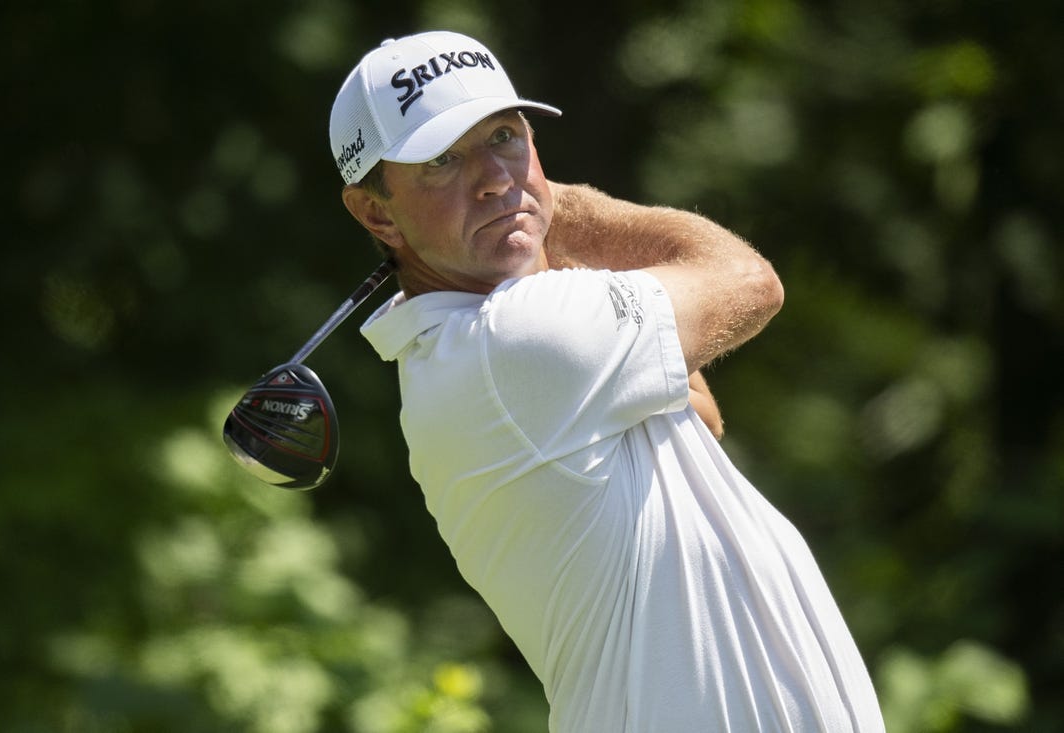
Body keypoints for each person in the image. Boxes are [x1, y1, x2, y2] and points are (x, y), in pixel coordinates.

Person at [330, 30, 885, 732]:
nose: (496, 177)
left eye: (505, 135)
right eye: (443, 159)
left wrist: (524, 224)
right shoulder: (509, 345)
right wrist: (554, 205)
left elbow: (700, 414)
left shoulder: (495, 348)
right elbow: (748, 281)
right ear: (377, 212)